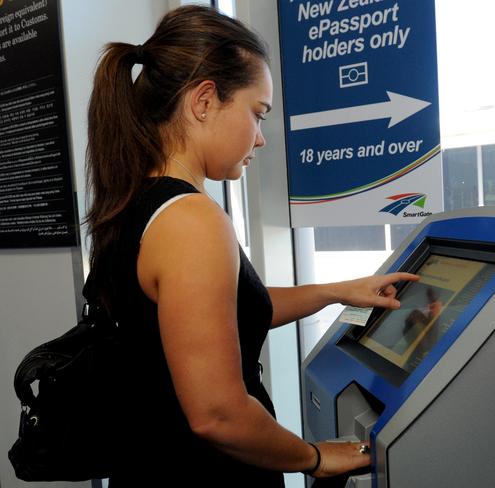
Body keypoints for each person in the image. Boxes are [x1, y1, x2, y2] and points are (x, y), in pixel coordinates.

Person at [85, 5, 418, 486]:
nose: (260, 139)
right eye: (256, 113)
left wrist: (336, 291)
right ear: (204, 100)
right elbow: (217, 414)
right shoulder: (191, 219)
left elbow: (212, 317)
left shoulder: (134, 203)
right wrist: (317, 457)